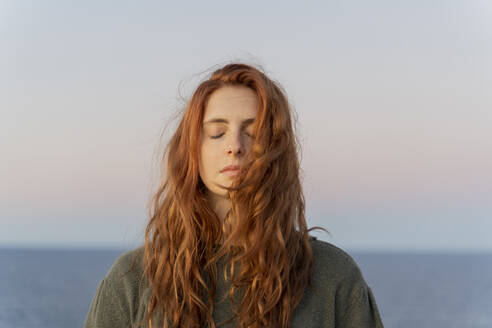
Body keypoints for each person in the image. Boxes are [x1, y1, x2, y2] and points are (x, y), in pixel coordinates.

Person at [83, 63, 385, 328]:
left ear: (276, 149)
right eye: (217, 133)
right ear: (191, 149)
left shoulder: (331, 276)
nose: (235, 145)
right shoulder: (132, 280)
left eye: (252, 133)